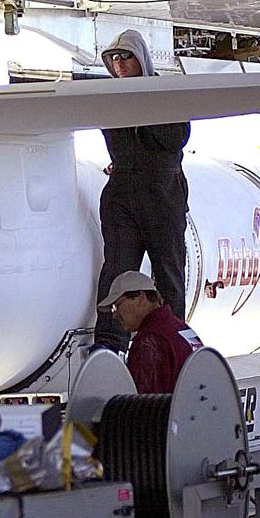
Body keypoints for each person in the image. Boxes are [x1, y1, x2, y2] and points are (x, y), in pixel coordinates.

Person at [92, 29, 190, 353]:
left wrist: (143, 108)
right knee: (116, 272)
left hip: (162, 194)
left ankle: (170, 346)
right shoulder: (109, 98)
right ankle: (109, 349)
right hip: (123, 193)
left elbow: (176, 138)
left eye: (126, 57)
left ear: (141, 59)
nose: (119, 64)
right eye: (114, 59)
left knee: (169, 275)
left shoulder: (164, 92)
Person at [98, 270, 202, 394]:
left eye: (116, 306)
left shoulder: (149, 340)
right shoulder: (180, 328)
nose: (115, 315)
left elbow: (143, 404)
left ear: (141, 298)